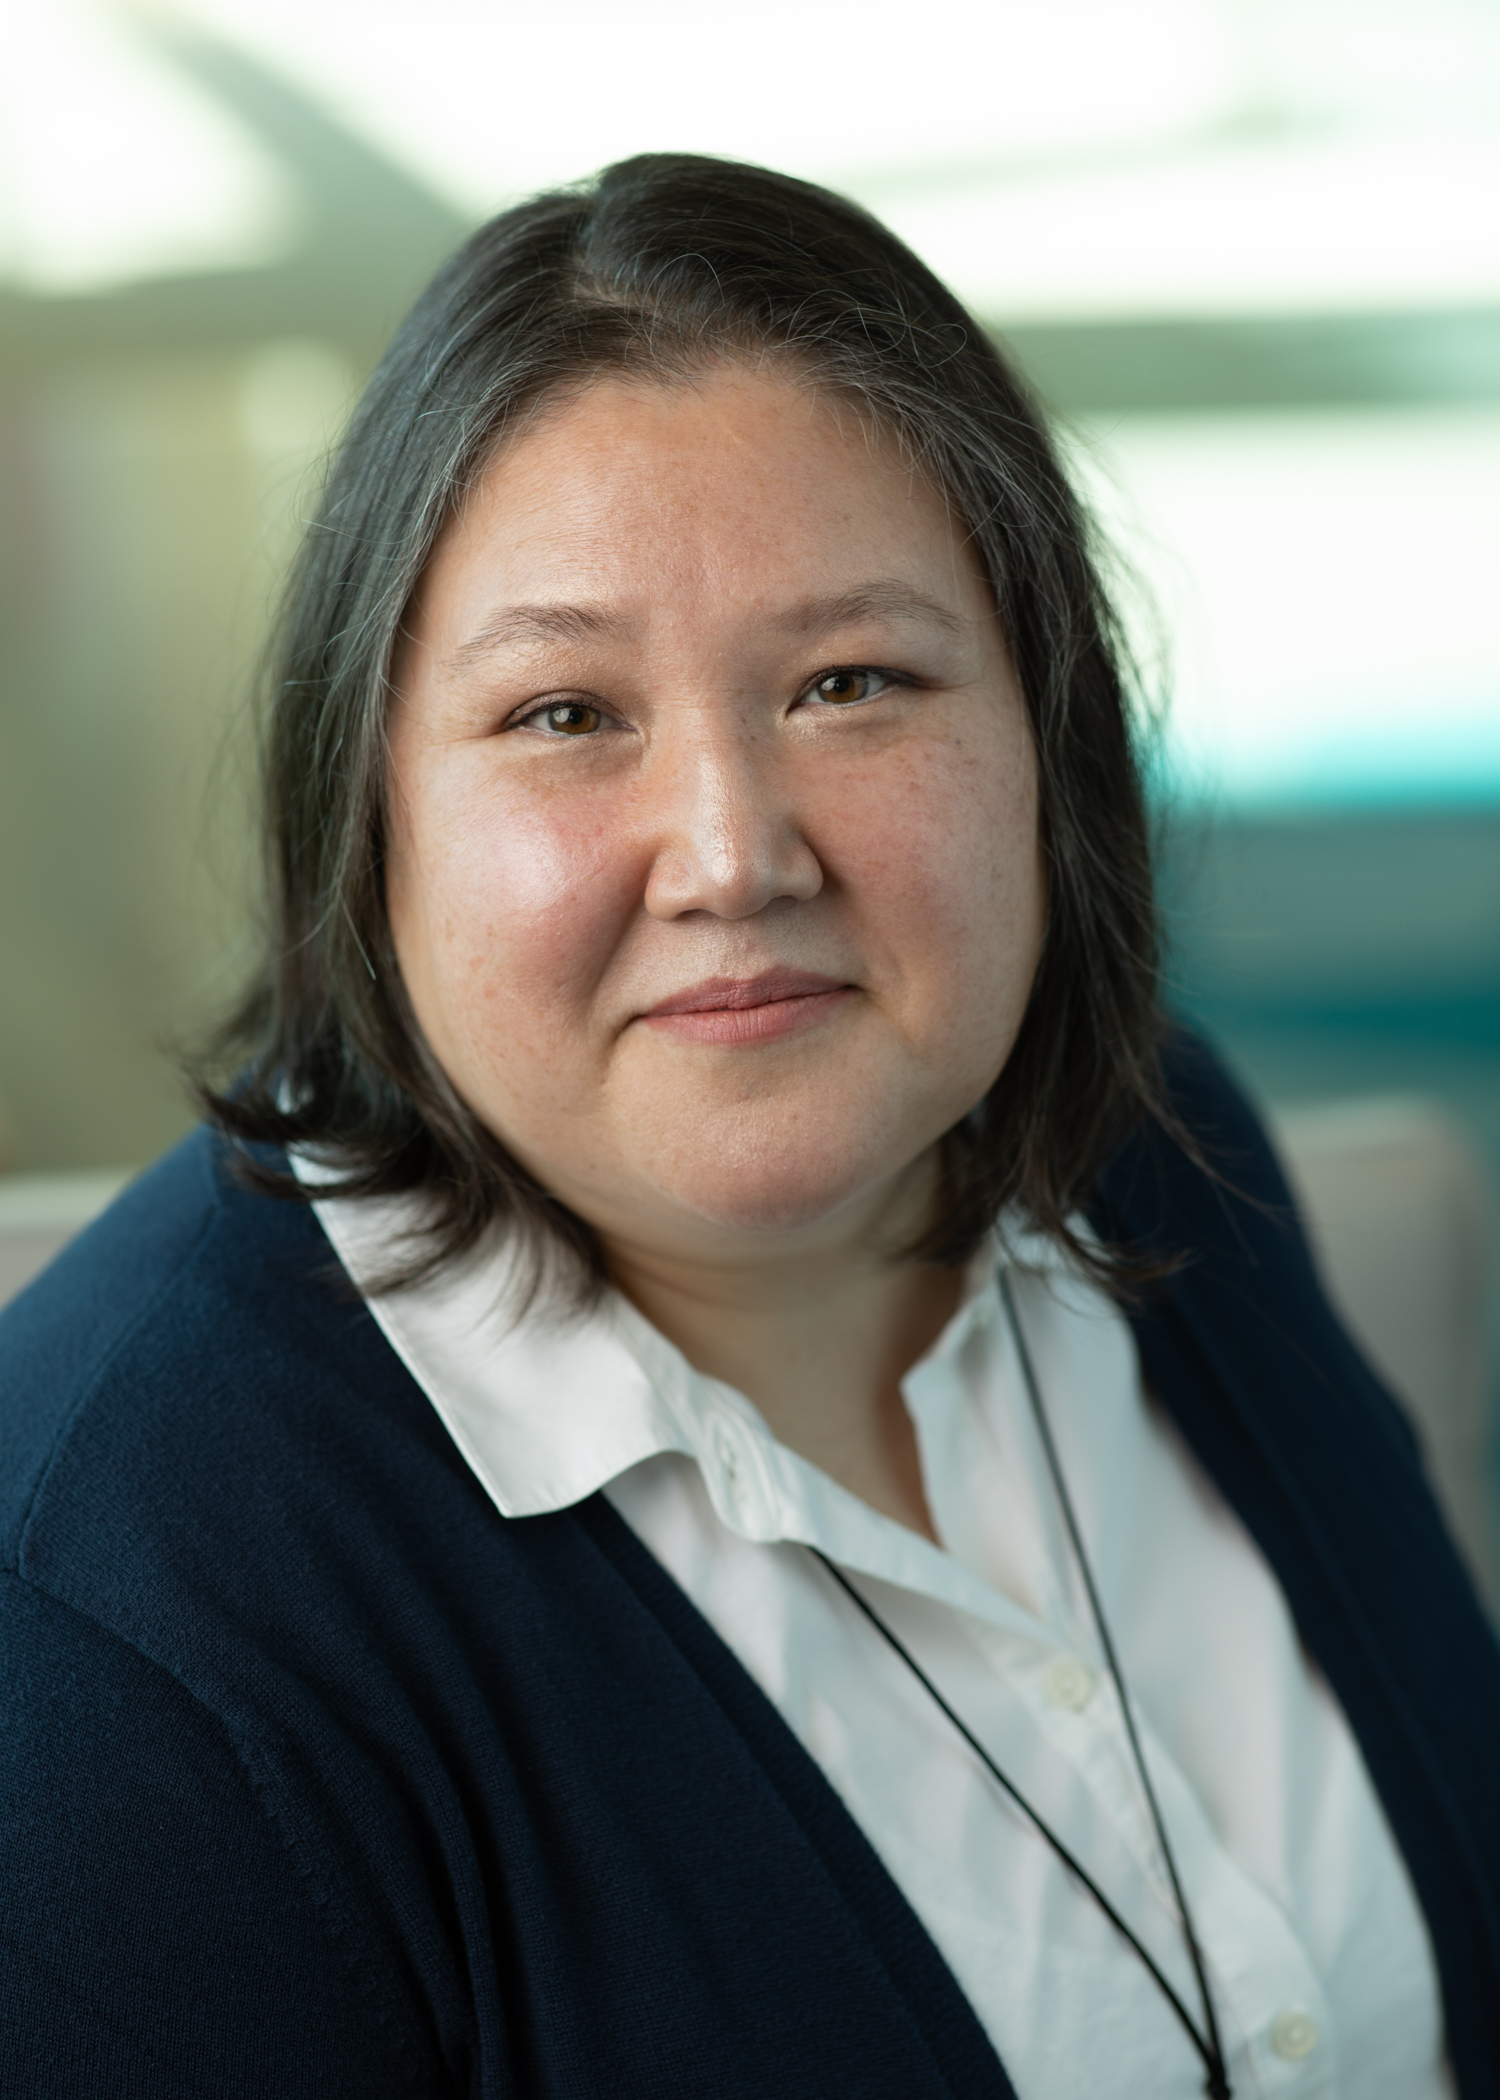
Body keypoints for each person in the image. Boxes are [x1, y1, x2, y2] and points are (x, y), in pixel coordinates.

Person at [1, 154, 1496, 2100]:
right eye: (563, 714)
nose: (733, 853)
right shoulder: (113, 1613)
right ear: (370, 812)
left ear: (1048, 739)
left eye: (852, 683)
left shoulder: (1149, 1146)